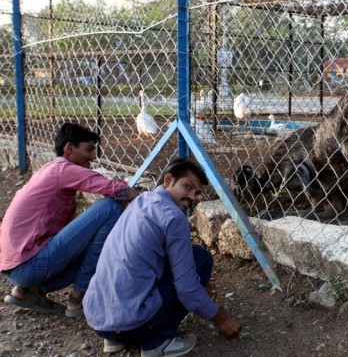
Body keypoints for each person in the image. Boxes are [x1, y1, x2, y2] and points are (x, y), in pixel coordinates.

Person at [84, 158, 241, 356]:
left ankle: (114, 340)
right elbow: (187, 288)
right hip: (130, 326)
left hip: (97, 320)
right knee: (201, 258)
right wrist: (221, 319)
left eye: (197, 192)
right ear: (168, 180)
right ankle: (156, 343)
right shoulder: (173, 217)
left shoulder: (140, 200)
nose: (192, 196)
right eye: (188, 186)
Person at [0, 122, 139, 317]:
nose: (93, 156)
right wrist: (148, 198)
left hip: (19, 265)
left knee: (98, 243)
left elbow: (71, 229)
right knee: (110, 208)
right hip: (28, 265)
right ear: (69, 148)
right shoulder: (63, 169)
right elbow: (112, 188)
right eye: (89, 149)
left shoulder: (50, 170)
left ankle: (26, 291)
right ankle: (77, 298)